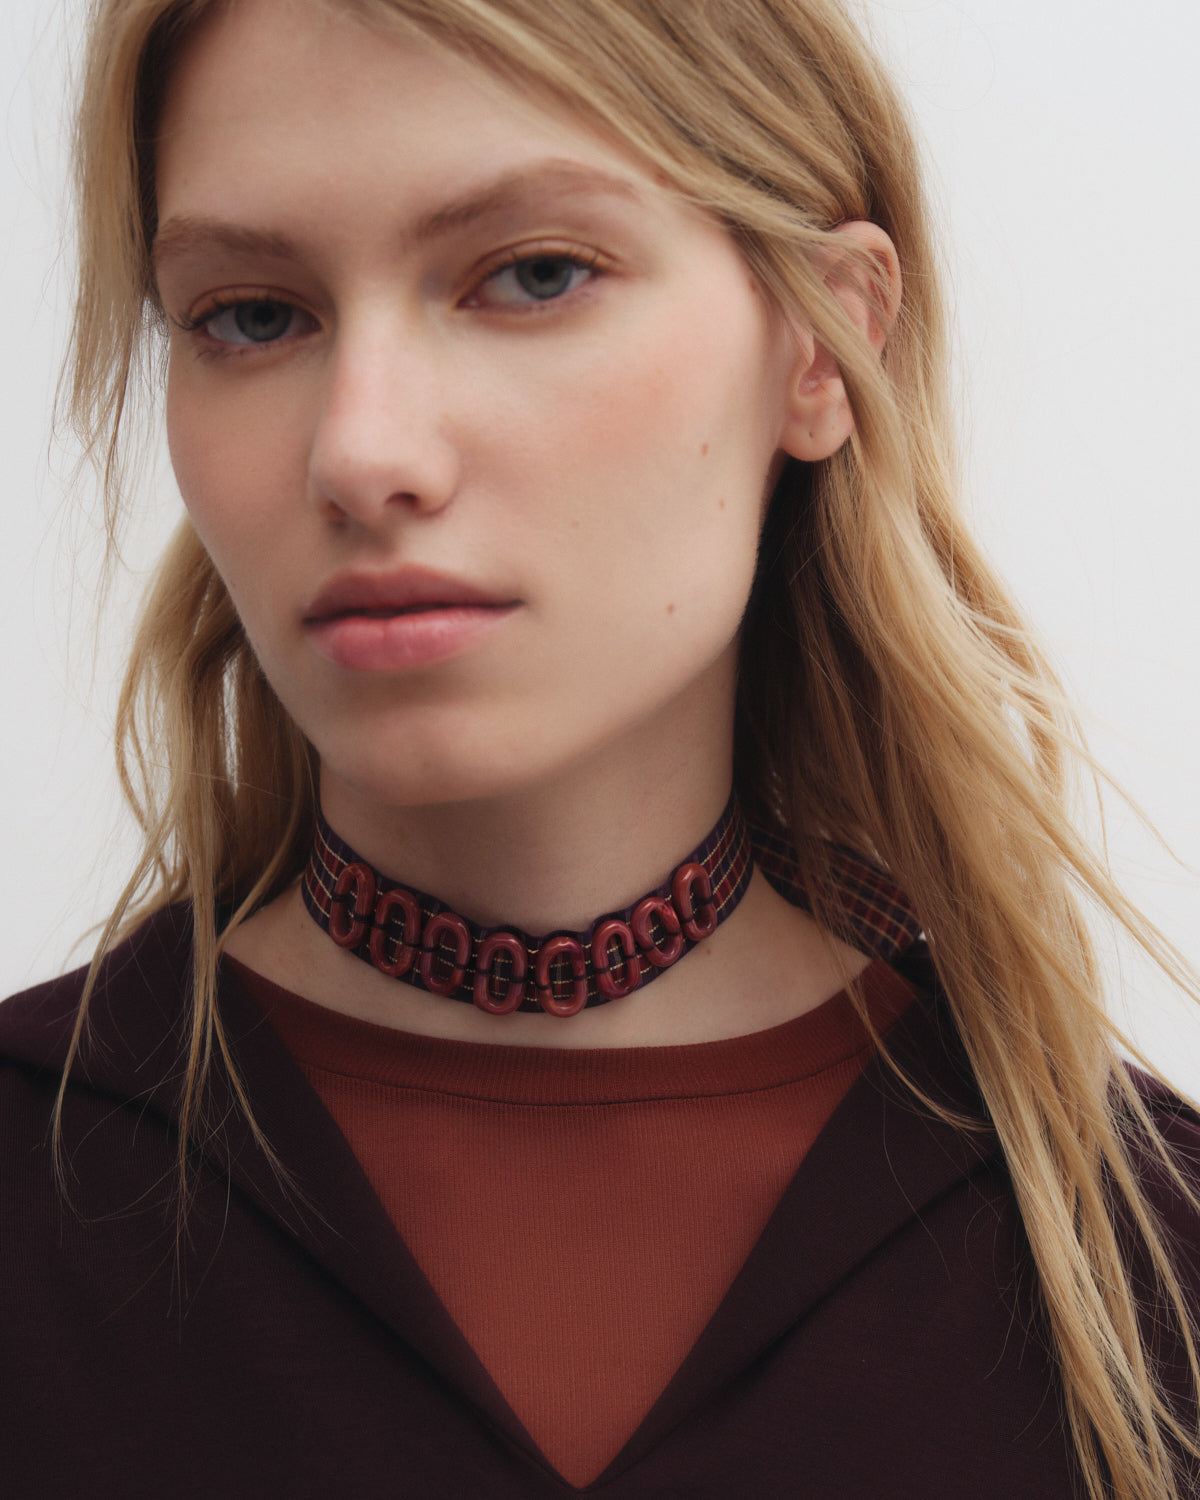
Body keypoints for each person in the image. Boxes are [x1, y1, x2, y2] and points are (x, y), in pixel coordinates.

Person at [2, 0, 1197, 1495]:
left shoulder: (1148, 1274)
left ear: (823, 348)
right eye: (250, 315)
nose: (361, 452)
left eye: (535, 274)